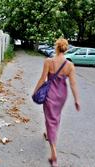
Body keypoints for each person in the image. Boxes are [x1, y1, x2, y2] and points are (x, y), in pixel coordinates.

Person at [33, 38, 80, 167]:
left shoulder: (49, 61)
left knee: (50, 119)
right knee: (54, 117)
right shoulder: (70, 65)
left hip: (50, 94)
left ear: (56, 47)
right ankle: (48, 133)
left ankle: (53, 154)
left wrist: (35, 91)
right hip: (61, 95)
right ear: (65, 49)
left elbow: (43, 79)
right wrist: (76, 100)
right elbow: (73, 84)